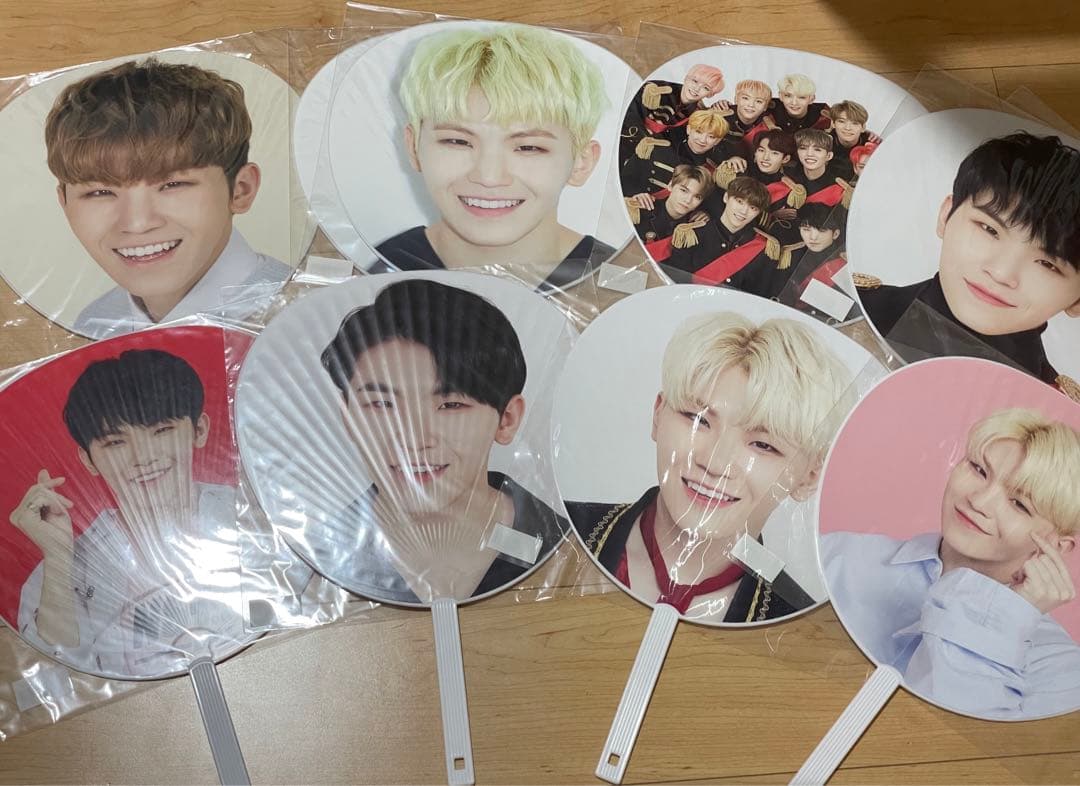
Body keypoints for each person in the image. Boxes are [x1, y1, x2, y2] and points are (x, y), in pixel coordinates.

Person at [568, 311, 855, 623]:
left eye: (763, 445)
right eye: (697, 419)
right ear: (658, 415)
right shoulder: (562, 532)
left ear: (810, 476)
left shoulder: (802, 629)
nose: (715, 464)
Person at [319, 278, 566, 604]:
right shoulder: (322, 555)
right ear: (348, 415)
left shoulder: (561, 543)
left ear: (506, 419)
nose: (413, 441)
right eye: (382, 404)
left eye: (450, 405)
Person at [821, 408, 1080, 719]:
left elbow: (950, 737)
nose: (979, 501)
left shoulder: (1063, 671)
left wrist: (1002, 620)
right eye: (979, 470)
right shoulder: (839, 555)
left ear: (1057, 545)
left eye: (1019, 504)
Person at [12, 349, 248, 676]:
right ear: (88, 459)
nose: (143, 457)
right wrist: (57, 556)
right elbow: (57, 676)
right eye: (115, 443)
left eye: (161, 431)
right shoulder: (64, 567)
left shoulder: (249, 515)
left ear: (199, 430)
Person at [45, 59, 291, 340]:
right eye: (99, 192)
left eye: (172, 185)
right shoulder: (95, 325)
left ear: (240, 190)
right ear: (64, 204)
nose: (137, 223)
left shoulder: (312, 318)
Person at [372, 25, 614, 295]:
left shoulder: (622, 287)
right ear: (414, 148)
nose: (489, 177)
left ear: (581, 162)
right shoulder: (376, 275)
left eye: (528, 147)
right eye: (457, 142)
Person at [856, 132, 1080, 396]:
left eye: (1047, 264)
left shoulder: (1056, 414)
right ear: (945, 215)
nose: (1001, 273)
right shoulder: (852, 308)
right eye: (989, 229)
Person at [665, 176, 778, 285]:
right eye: (739, 201)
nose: (744, 211)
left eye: (753, 208)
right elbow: (676, 283)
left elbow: (759, 294)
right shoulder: (691, 236)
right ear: (726, 197)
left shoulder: (763, 249)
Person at [620, 64, 725, 164]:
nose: (696, 89)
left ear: (710, 95)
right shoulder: (656, 89)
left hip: (652, 155)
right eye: (695, 81)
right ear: (686, 78)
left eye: (706, 88)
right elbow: (629, 114)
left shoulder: (698, 113)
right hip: (625, 139)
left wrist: (722, 107)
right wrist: (642, 141)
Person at [621, 109, 736, 198]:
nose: (703, 140)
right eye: (699, 132)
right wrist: (636, 195)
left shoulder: (711, 170)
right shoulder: (658, 147)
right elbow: (626, 178)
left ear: (718, 141)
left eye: (711, 136)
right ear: (688, 130)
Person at [626, 165, 715, 262]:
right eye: (684, 190)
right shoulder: (639, 209)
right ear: (670, 186)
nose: (688, 200)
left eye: (697, 197)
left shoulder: (692, 231)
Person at [828, 100, 881, 179]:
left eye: (855, 123)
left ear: (863, 128)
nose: (848, 128)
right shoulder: (823, 142)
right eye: (842, 121)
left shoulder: (873, 144)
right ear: (833, 124)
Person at [714, 79, 772, 149]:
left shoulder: (767, 123)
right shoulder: (721, 116)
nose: (751, 105)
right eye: (745, 98)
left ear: (765, 107)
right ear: (736, 99)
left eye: (759, 101)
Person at [765, 74, 831, 133]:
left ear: (811, 99)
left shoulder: (824, 117)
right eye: (788, 96)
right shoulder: (767, 107)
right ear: (781, 96)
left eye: (802, 97)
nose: (794, 103)